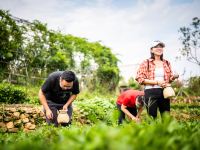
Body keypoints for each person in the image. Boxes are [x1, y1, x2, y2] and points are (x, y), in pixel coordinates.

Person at [135, 41, 179, 119]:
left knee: (166, 117)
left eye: (161, 47)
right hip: (151, 92)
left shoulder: (167, 63)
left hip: (165, 92)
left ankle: (165, 131)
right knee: (152, 118)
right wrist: (157, 82)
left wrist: (173, 77)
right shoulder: (146, 62)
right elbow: (139, 78)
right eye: (157, 47)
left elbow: (169, 79)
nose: (159, 48)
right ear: (152, 50)